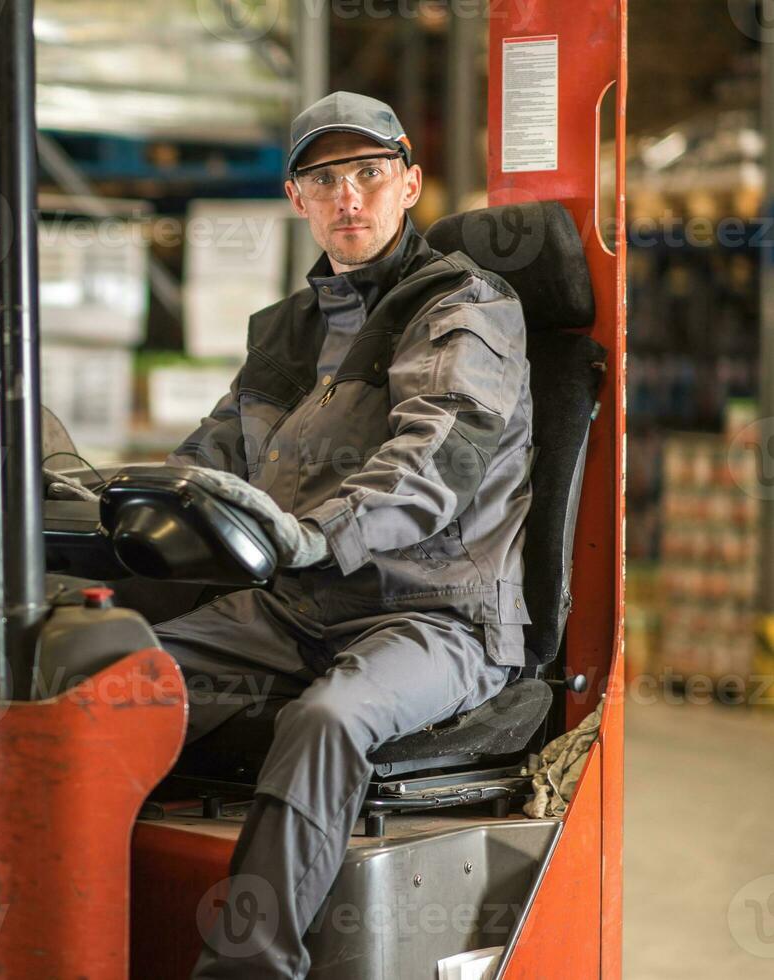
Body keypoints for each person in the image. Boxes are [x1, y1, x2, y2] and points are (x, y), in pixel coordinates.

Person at [157, 91, 534, 978]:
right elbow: (208, 458)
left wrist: (319, 534)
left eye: (369, 173)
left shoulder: (464, 305)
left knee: (327, 718)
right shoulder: (287, 335)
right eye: (326, 180)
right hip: (294, 607)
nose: (349, 198)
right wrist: (105, 503)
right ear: (299, 199)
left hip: (437, 617)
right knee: (110, 677)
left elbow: (436, 453)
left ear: (409, 182)